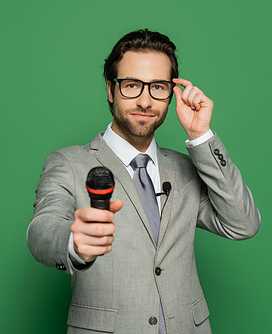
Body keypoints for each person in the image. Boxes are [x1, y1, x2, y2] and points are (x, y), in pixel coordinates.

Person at [26, 29, 260, 334]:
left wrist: (201, 135)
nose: (145, 101)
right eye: (132, 85)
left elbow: (242, 223)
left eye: (158, 87)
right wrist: (74, 244)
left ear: (171, 93)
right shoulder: (69, 163)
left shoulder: (185, 169)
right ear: (110, 90)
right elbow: (42, 229)